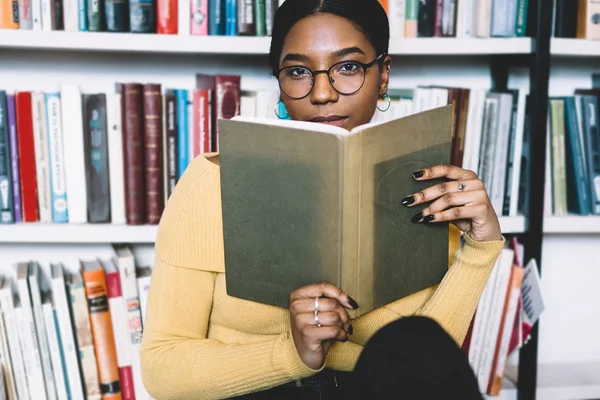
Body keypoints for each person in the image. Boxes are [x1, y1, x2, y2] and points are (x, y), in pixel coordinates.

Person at [140, 0, 505, 399]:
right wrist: (294, 353)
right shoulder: (211, 182)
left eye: (348, 67)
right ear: (278, 79)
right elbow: (163, 368)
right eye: (298, 71)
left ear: (383, 74)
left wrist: (480, 248)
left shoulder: (427, 187)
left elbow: (428, 373)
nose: (322, 93)